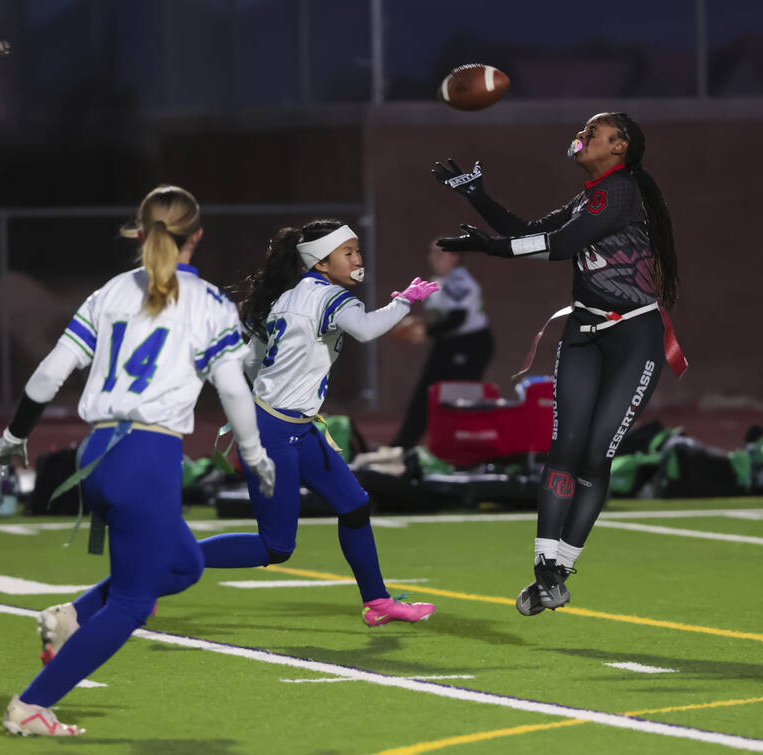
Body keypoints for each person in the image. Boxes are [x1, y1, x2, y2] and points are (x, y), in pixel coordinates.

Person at [0, 185, 276, 736]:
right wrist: (256, 454)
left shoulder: (111, 291)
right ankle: (31, 705)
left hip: (95, 454)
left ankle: (70, 616)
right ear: (198, 236)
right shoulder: (209, 302)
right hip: (148, 456)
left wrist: (13, 433)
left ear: (140, 233)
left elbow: (49, 374)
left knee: (185, 565)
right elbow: (234, 392)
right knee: (134, 601)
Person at [434, 112, 686, 615]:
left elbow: (558, 246)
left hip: (633, 335)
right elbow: (530, 231)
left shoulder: (619, 191)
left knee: (595, 454)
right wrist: (476, 195)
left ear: (620, 146)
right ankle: (546, 570)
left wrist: (490, 248)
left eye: (595, 131)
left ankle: (562, 568)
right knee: (563, 449)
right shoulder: (590, 196)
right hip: (583, 332)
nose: (583, 135)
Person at [193, 219, 440, 626]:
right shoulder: (329, 297)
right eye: (349, 252)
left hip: (291, 426)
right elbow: (364, 330)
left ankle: (377, 603)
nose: (358, 259)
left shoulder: (286, 297)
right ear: (321, 262)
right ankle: (166, 559)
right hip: (275, 431)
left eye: (358, 250)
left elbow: (251, 362)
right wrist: (404, 301)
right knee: (276, 547)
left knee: (355, 506)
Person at [390, 241, 495, 449]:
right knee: (426, 394)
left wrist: (426, 331)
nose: (434, 258)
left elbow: (458, 317)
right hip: (448, 344)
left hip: (470, 345)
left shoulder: (459, 281)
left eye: (441, 254)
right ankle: (402, 446)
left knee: (459, 399)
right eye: (432, 254)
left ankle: (466, 449)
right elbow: (444, 319)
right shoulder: (440, 280)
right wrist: (423, 325)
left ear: (455, 257)